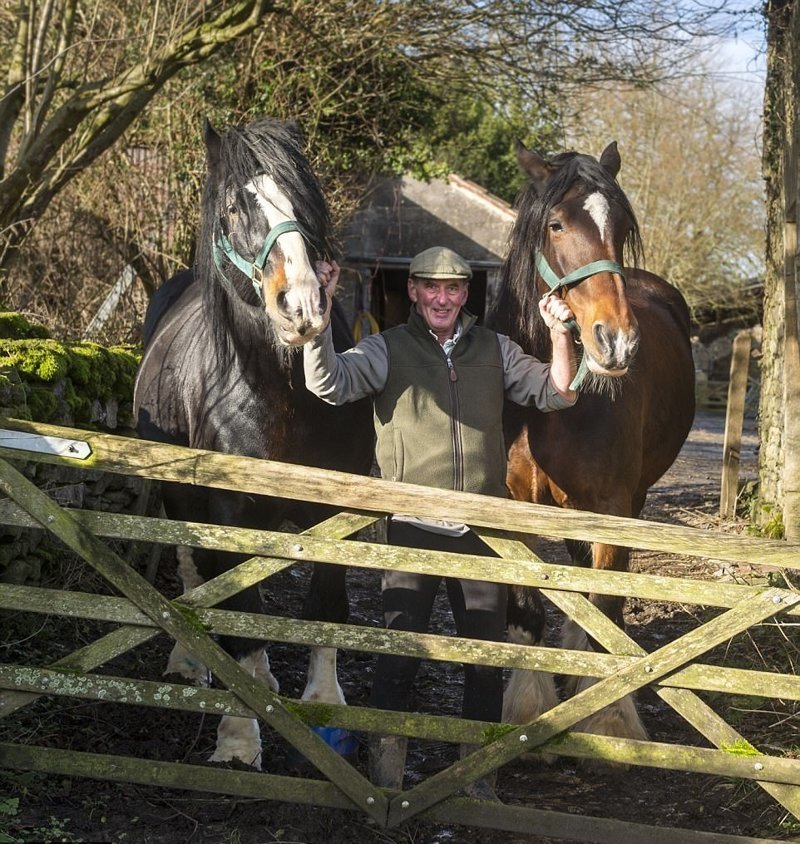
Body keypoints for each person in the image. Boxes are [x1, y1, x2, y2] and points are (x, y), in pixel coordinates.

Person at [306, 246, 577, 798]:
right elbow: (327, 384)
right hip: (411, 526)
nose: (442, 298)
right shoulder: (386, 349)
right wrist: (320, 311)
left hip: (481, 531)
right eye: (431, 287)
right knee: (398, 659)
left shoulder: (496, 350)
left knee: (482, 663)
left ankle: (476, 782)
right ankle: (386, 777)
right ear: (414, 291)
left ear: (464, 295)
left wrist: (560, 333)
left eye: (453, 289)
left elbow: (559, 392)